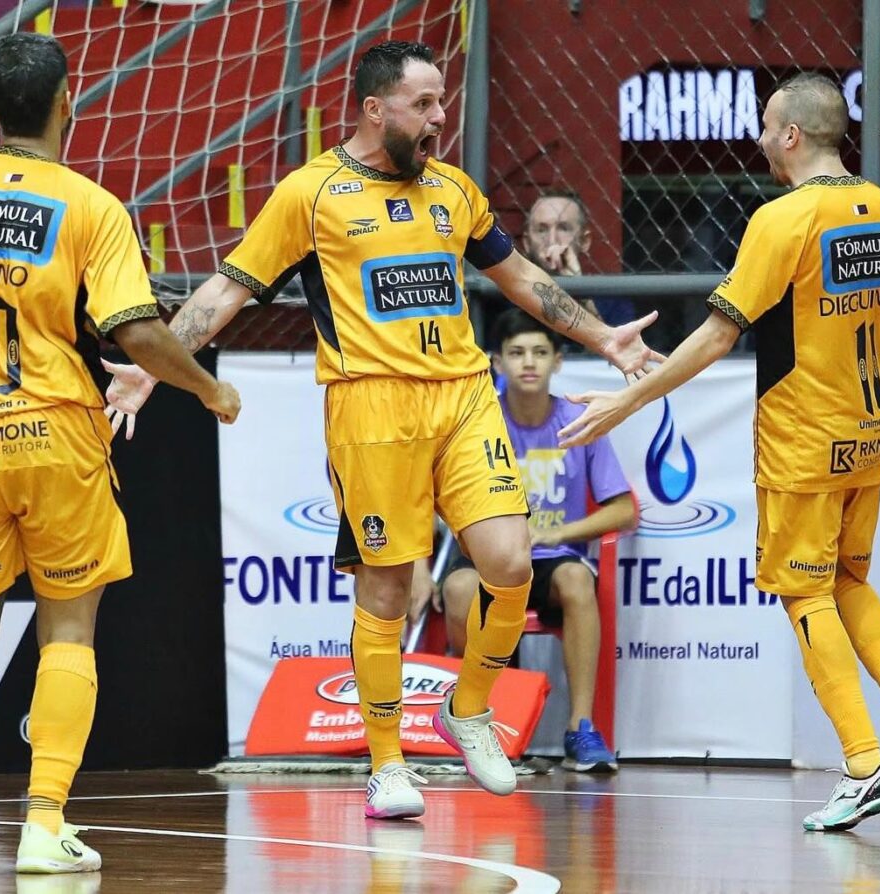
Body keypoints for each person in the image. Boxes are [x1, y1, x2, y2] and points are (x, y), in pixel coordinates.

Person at [105, 40, 661, 820]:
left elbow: (520, 277)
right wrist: (156, 365)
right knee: (389, 587)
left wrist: (602, 337)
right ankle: (388, 764)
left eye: (442, 102)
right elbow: (228, 290)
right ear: (375, 109)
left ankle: (469, 710)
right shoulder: (311, 192)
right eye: (424, 104)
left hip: (465, 397)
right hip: (371, 408)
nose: (440, 118)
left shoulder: (455, 192)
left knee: (508, 561)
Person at [0, 33, 240, 873]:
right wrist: (210, 391)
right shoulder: (90, 206)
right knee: (68, 631)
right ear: (67, 100)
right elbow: (137, 333)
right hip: (55, 439)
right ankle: (44, 827)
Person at [558, 72, 880, 831]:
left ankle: (864, 763)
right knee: (850, 580)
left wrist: (627, 398)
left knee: (807, 591)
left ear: (789, 135)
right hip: (870, 434)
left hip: (804, 438)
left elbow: (719, 333)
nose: (756, 140)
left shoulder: (784, 220)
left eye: (763, 126)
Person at [433, 309, 634, 773]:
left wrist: (557, 533)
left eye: (540, 353)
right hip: (488, 558)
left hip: (551, 557)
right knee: (459, 590)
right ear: (496, 363)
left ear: (558, 362)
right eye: (517, 353)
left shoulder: (579, 420)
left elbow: (623, 509)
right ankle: (486, 721)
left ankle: (581, 728)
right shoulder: (479, 422)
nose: (529, 363)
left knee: (577, 583)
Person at [521, 190, 635, 328]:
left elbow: (613, 347)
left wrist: (581, 293)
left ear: (584, 241)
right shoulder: (508, 293)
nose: (552, 240)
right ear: (527, 243)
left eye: (563, 228)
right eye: (542, 230)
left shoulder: (612, 298)